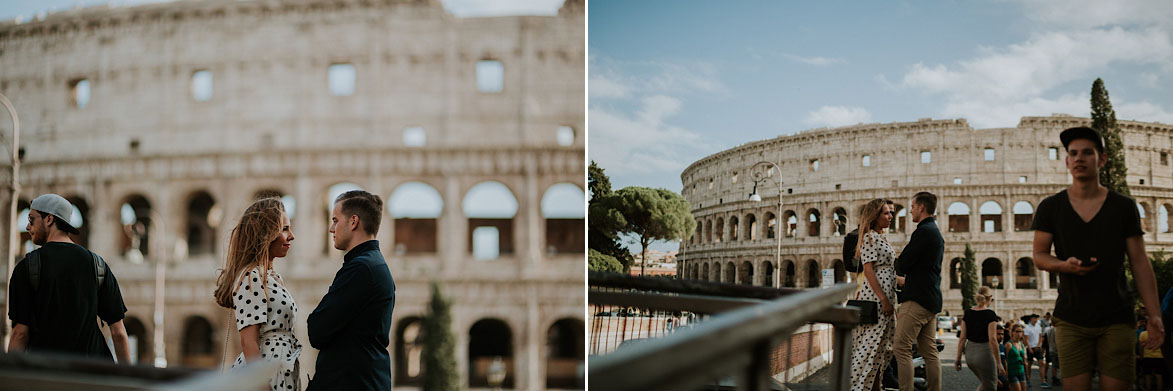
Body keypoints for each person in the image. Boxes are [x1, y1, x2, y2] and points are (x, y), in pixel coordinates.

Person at [1031, 126, 1166, 391]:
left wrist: (1154, 315)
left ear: (1102, 159)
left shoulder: (1123, 206)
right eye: (1073, 153)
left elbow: (1140, 262)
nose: (1079, 158)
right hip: (1070, 317)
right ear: (1067, 161)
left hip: (1116, 316)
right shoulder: (1051, 207)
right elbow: (1039, 255)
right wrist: (1063, 265)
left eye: (1087, 152)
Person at [6, 194, 130, 363]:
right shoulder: (97, 265)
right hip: (94, 373)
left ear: (49, 219)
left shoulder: (27, 267)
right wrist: (126, 377)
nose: (27, 227)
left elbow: (20, 333)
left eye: (31, 219)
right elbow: (119, 333)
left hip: (47, 375)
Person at [307, 190, 396, 390]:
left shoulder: (361, 268)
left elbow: (317, 330)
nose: (331, 228)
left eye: (335, 220)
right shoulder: (372, 264)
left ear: (353, 221)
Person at [212, 197, 300, 390]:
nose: (291, 235)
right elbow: (248, 341)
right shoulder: (252, 276)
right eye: (284, 228)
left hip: (279, 372)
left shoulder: (270, 277)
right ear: (266, 233)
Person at [893, 191, 944, 391]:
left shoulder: (923, 231)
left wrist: (899, 270)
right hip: (931, 299)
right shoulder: (934, 230)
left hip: (917, 300)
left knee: (900, 347)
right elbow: (925, 269)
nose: (911, 211)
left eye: (912, 207)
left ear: (921, 207)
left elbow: (904, 262)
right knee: (929, 351)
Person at [849, 198, 897, 391]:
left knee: (881, 350)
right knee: (869, 348)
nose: (890, 216)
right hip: (877, 298)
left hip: (886, 295)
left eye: (890, 213)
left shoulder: (881, 237)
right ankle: (856, 386)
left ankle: (876, 387)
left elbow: (887, 270)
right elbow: (868, 271)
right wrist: (884, 299)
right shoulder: (869, 237)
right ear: (875, 216)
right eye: (886, 213)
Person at [955, 286, 1005, 391]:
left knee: (985, 384)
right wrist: (999, 363)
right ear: (990, 298)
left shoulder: (968, 313)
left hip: (970, 355)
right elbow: (992, 339)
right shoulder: (990, 315)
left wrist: (958, 358)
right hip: (984, 354)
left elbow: (962, 338)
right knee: (990, 386)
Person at [1139, 321, 1165, 391]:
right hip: (1159, 357)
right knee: (1159, 375)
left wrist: (1141, 356)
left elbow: (1141, 347)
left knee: (1147, 376)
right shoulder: (1160, 334)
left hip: (1147, 357)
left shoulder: (1143, 334)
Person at [1023, 314, 1048, 387]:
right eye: (1035, 318)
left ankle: (1043, 381)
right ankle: (1028, 380)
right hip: (1030, 347)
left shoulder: (1038, 326)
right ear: (1031, 319)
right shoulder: (1027, 328)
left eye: (1037, 318)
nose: (1036, 320)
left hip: (1037, 348)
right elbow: (1026, 339)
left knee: (1041, 363)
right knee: (1029, 365)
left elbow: (1040, 337)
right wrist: (1029, 348)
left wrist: (1038, 345)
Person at [1006, 324, 1029, 391]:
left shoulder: (1021, 344)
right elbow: (1005, 360)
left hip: (1021, 371)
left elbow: (1024, 360)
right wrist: (1006, 375)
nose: (1019, 333)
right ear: (1013, 332)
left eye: (1020, 331)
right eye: (1017, 331)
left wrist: (1027, 374)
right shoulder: (1008, 344)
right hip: (1012, 372)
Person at [1045, 322, 1061, 386]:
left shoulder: (1049, 330)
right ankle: (1054, 378)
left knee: (1054, 365)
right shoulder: (1056, 330)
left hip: (1051, 349)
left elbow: (1048, 340)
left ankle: (1054, 377)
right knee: (1055, 365)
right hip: (1055, 350)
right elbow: (1057, 341)